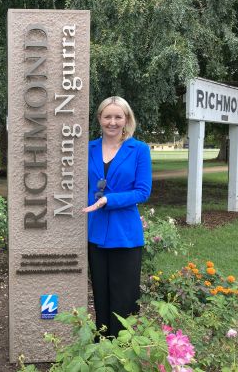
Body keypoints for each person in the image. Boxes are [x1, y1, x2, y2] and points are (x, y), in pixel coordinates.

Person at [81, 96, 152, 339]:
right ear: (99, 119)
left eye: (118, 117)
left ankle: (121, 352)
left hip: (125, 236)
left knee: (123, 299)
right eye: (107, 116)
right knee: (101, 295)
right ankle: (102, 348)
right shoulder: (87, 148)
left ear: (126, 120)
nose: (112, 122)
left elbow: (143, 191)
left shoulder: (139, 149)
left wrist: (109, 200)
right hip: (96, 233)